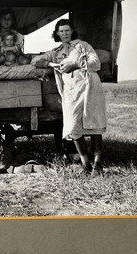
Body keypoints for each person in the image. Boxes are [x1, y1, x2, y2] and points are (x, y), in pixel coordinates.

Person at [34, 19, 107, 176]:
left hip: (89, 87)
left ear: (72, 31)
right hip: (71, 92)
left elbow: (96, 63)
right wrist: (51, 65)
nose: (65, 33)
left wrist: (76, 64)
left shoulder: (82, 45)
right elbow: (36, 61)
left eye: (67, 30)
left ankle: (97, 164)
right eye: (61, 31)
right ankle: (85, 163)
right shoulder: (56, 52)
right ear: (57, 33)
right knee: (73, 127)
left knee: (94, 125)